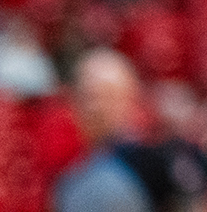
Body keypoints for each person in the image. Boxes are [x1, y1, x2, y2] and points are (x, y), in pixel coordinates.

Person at [53, 50, 153, 212]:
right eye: (87, 96)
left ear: (131, 100)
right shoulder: (66, 170)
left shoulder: (151, 164)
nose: (96, 107)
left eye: (108, 97)